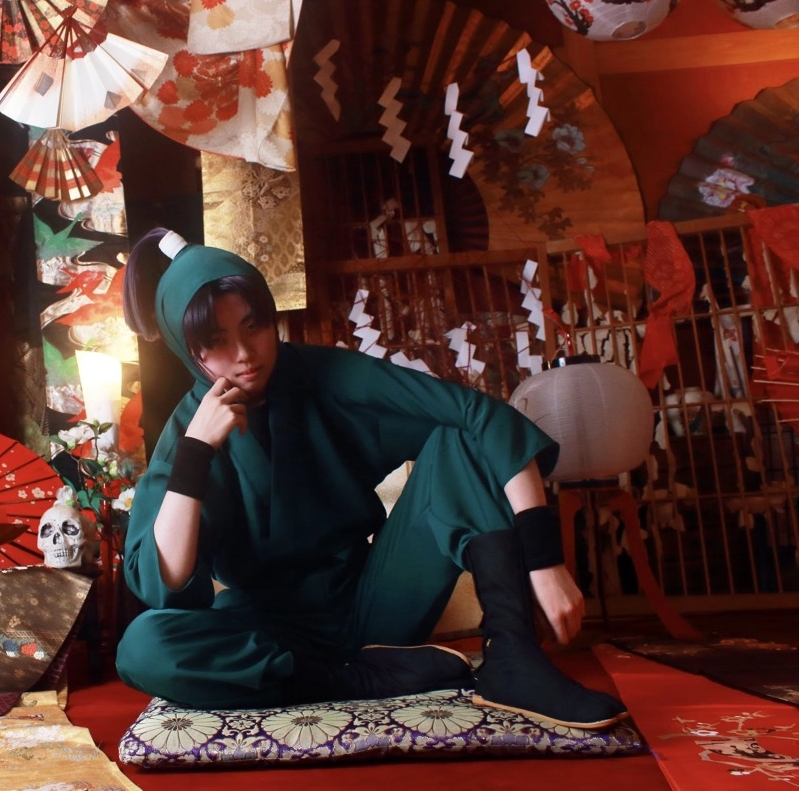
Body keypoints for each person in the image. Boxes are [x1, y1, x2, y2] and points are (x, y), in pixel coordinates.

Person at [115, 227, 628, 729]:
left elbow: (478, 416)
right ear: (188, 350)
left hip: (374, 604)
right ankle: (353, 679)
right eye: (216, 341)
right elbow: (166, 584)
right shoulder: (188, 431)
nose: (244, 353)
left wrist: (545, 561)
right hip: (267, 630)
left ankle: (513, 658)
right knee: (143, 647)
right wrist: (197, 452)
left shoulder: (326, 374)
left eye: (254, 326)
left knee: (457, 439)